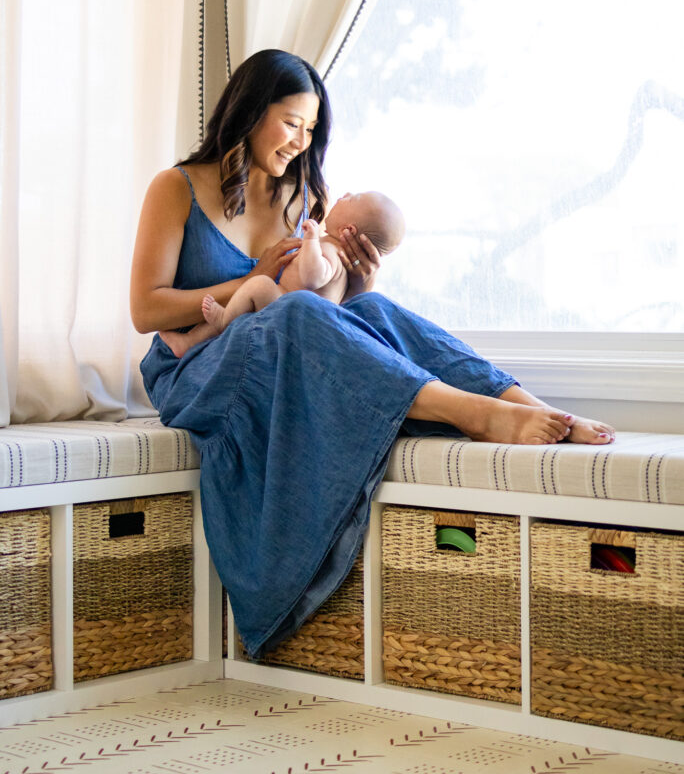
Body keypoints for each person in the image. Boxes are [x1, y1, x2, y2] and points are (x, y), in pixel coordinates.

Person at [130, 48, 615, 659]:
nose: (300, 143)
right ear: (250, 113)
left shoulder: (301, 196)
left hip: (278, 354)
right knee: (296, 312)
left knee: (376, 312)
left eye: (310, 131)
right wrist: (247, 278)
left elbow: (322, 310)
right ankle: (471, 412)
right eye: (289, 123)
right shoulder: (176, 188)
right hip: (197, 368)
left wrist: (360, 282)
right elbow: (146, 309)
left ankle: (518, 401)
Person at [159, 191, 405, 358]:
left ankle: (221, 322)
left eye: (354, 198)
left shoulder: (330, 252)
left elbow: (312, 277)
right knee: (246, 305)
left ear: (348, 229)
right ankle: (193, 340)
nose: (345, 195)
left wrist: (310, 240)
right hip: (289, 315)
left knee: (259, 284)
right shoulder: (338, 259)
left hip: (286, 307)